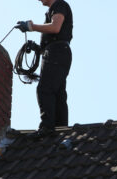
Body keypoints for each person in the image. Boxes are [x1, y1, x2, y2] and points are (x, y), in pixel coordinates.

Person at [15, 0, 73, 138]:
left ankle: (47, 127)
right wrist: (39, 48)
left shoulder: (59, 5)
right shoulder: (54, 9)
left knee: (45, 89)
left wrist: (32, 26)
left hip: (57, 52)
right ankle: (60, 129)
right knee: (58, 92)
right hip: (57, 52)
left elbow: (55, 27)